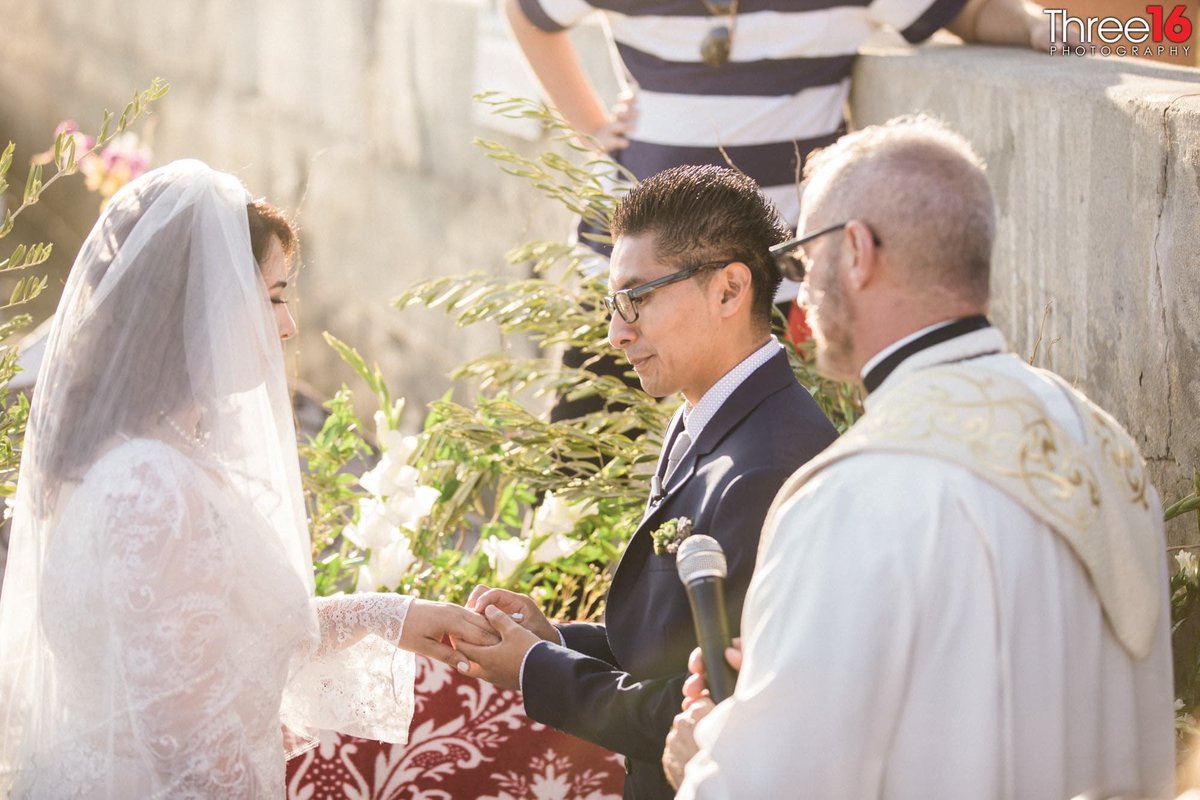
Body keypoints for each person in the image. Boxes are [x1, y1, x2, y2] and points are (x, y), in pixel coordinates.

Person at [663, 117, 1176, 798]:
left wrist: (706, 750)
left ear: (855, 251)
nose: (799, 288)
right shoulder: (1103, 440)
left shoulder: (856, 496)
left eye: (802, 258)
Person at [0, 160, 495, 798]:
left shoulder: (136, 453)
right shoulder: (151, 485)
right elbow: (196, 749)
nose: (288, 328)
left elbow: (216, 638)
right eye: (272, 297)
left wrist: (385, 615)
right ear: (190, 305)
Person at [456, 164, 839, 799]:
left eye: (638, 298)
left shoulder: (770, 463)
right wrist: (551, 638)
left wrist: (533, 668)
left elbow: (716, 711)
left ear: (729, 289)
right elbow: (668, 649)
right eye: (614, 303)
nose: (616, 331)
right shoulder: (705, 417)